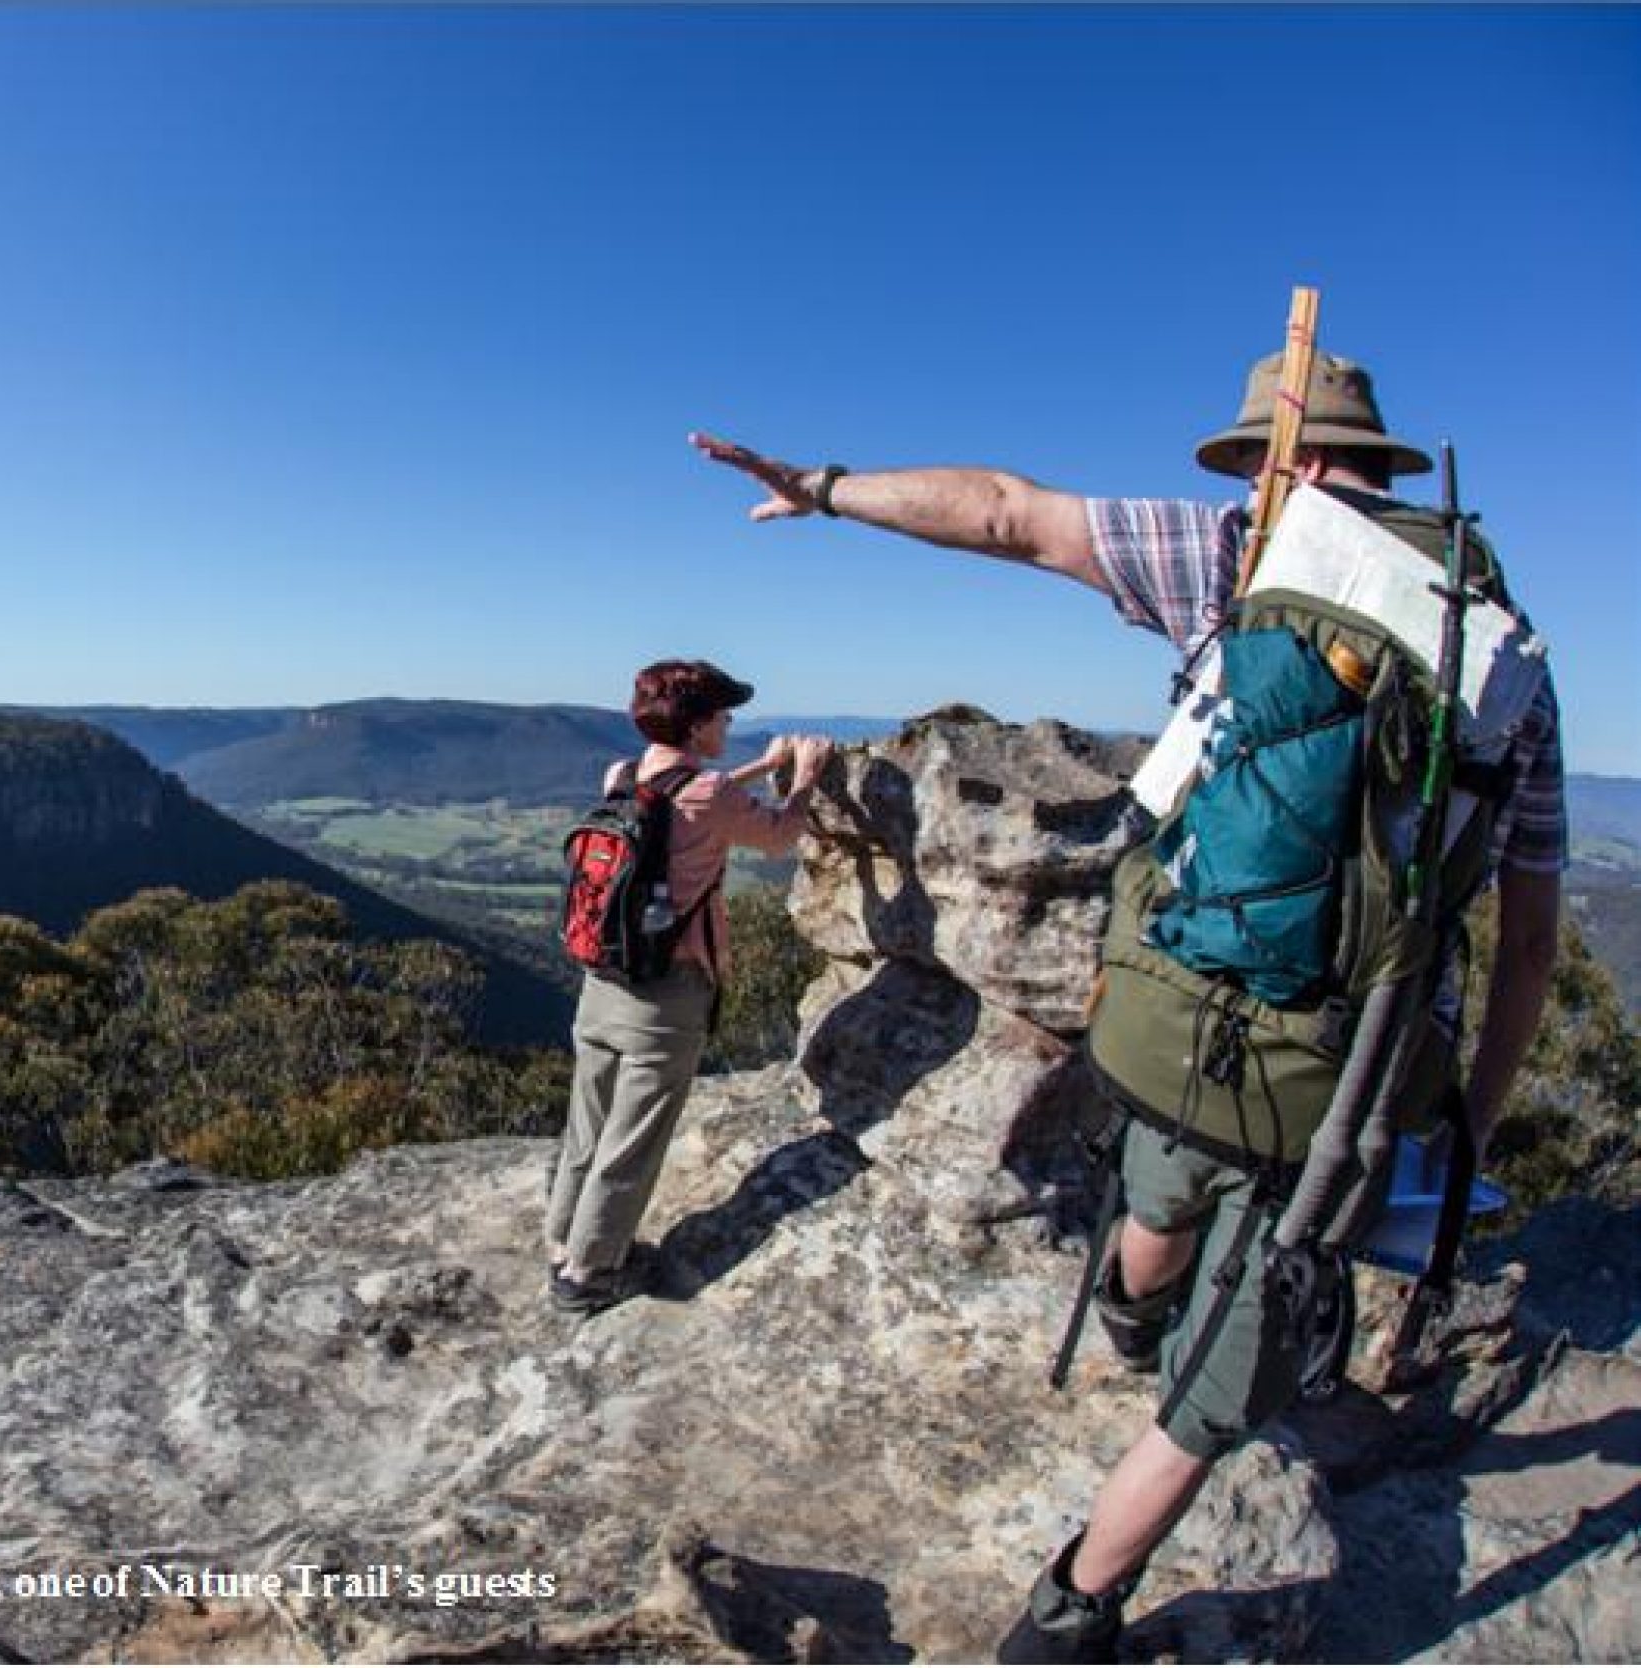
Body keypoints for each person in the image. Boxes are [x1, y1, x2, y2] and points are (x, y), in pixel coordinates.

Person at [694, 349, 1565, 1662]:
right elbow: (1530, 939)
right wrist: (1467, 1131)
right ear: (1378, 466)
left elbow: (1003, 508)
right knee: (1212, 1406)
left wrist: (823, 488)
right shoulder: (1496, 658)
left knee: (1158, 1200)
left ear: (1273, 459)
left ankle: (1127, 1311)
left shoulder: (1230, 553)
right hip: (1334, 1075)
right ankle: (1070, 1612)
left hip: (1158, 1017)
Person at [545, 659, 834, 1316]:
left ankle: (562, 1240)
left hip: (601, 986)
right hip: (666, 996)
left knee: (588, 1124)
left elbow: (693, 800)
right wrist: (805, 779)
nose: (729, 723)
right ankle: (588, 1274)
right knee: (635, 1137)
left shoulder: (623, 777)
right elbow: (779, 837)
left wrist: (761, 768)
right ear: (700, 724)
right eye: (722, 715)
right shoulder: (707, 794)